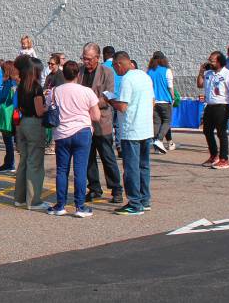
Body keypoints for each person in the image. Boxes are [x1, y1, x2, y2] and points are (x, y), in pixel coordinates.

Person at [46, 60, 100, 218]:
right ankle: (79, 206)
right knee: (80, 170)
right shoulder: (86, 91)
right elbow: (96, 116)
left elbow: (48, 108)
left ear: (63, 74)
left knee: (62, 170)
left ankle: (60, 205)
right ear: (78, 74)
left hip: (62, 133)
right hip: (82, 131)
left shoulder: (54, 91)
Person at [106, 51, 155, 215]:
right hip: (146, 128)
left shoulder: (127, 79)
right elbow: (152, 101)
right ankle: (144, 199)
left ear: (120, 64)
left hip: (131, 130)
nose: (115, 71)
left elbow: (122, 107)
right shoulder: (144, 76)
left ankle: (134, 203)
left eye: (114, 67)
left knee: (131, 168)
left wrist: (110, 99)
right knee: (144, 166)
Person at [79, 43, 123, 203]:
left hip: (102, 122)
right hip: (84, 122)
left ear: (97, 58)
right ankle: (94, 188)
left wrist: (89, 103)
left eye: (89, 59)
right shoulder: (80, 71)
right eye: (84, 58)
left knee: (108, 157)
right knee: (88, 158)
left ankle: (116, 188)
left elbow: (108, 97)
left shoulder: (107, 72)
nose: (85, 62)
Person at [12, 55, 49, 210]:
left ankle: (19, 198)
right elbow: (40, 111)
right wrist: (49, 106)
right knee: (35, 162)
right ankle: (33, 201)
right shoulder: (36, 88)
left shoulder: (21, 87)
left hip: (22, 123)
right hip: (34, 123)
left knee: (24, 161)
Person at [197, 51, 229, 169]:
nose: (210, 62)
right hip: (210, 106)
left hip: (222, 106)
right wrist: (201, 72)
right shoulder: (209, 73)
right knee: (207, 131)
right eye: (209, 60)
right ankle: (213, 155)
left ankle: (224, 159)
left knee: (221, 133)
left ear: (219, 61)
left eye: (212, 60)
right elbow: (200, 85)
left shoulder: (228, 74)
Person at [146, 51, 173, 154]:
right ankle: (159, 139)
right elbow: (170, 87)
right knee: (167, 121)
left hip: (153, 101)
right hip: (165, 100)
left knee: (156, 122)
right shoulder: (167, 71)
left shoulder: (149, 72)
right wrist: (173, 97)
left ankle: (157, 146)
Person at [0, 61, 17, 172]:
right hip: (13, 113)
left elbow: (3, 96)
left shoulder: (8, 82)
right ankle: (9, 163)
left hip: (7, 115)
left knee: (8, 141)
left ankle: (9, 163)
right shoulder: (15, 82)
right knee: (10, 141)